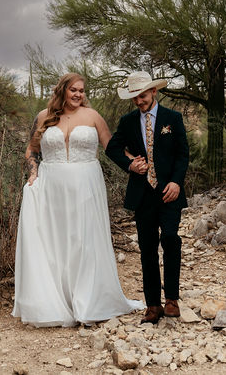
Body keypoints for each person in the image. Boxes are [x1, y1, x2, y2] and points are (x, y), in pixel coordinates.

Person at [12, 73, 143, 327]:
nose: (78, 95)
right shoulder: (43, 116)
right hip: (52, 185)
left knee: (84, 240)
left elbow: (111, 147)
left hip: (86, 184)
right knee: (56, 241)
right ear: (62, 90)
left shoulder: (93, 117)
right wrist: (33, 170)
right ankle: (59, 301)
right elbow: (32, 149)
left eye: (82, 91)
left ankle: (88, 301)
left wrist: (132, 163)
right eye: (73, 90)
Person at [105, 71, 190, 324]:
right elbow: (112, 148)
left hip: (169, 192)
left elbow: (182, 154)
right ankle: (153, 305)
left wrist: (176, 182)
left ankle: (172, 300)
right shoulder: (128, 121)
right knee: (147, 249)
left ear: (153, 92)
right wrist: (130, 164)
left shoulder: (172, 118)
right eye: (134, 98)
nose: (139, 102)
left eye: (142, 96)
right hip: (143, 195)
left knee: (172, 239)